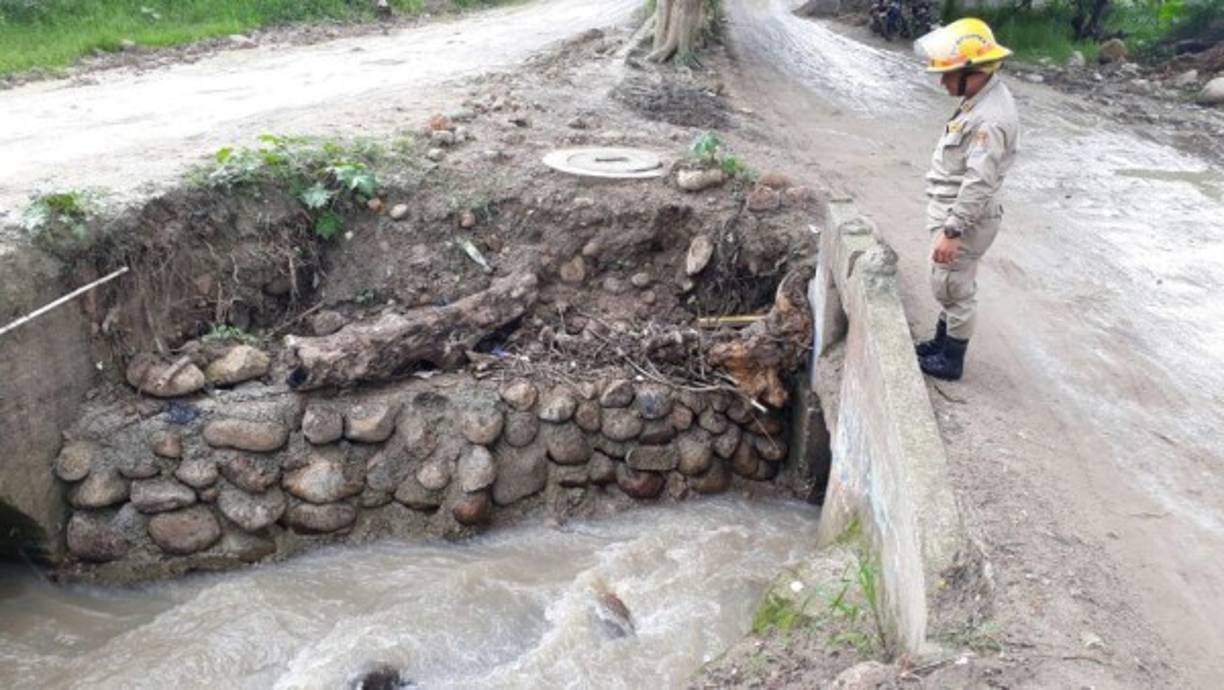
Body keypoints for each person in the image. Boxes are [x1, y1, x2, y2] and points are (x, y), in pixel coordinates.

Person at [912, 18, 1019, 381]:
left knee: (954, 285)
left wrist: (952, 230)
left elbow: (978, 181)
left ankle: (951, 360)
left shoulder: (990, 119)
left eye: (948, 74)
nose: (942, 82)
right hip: (957, 210)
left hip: (966, 218)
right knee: (947, 280)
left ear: (974, 72)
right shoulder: (980, 99)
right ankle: (941, 343)